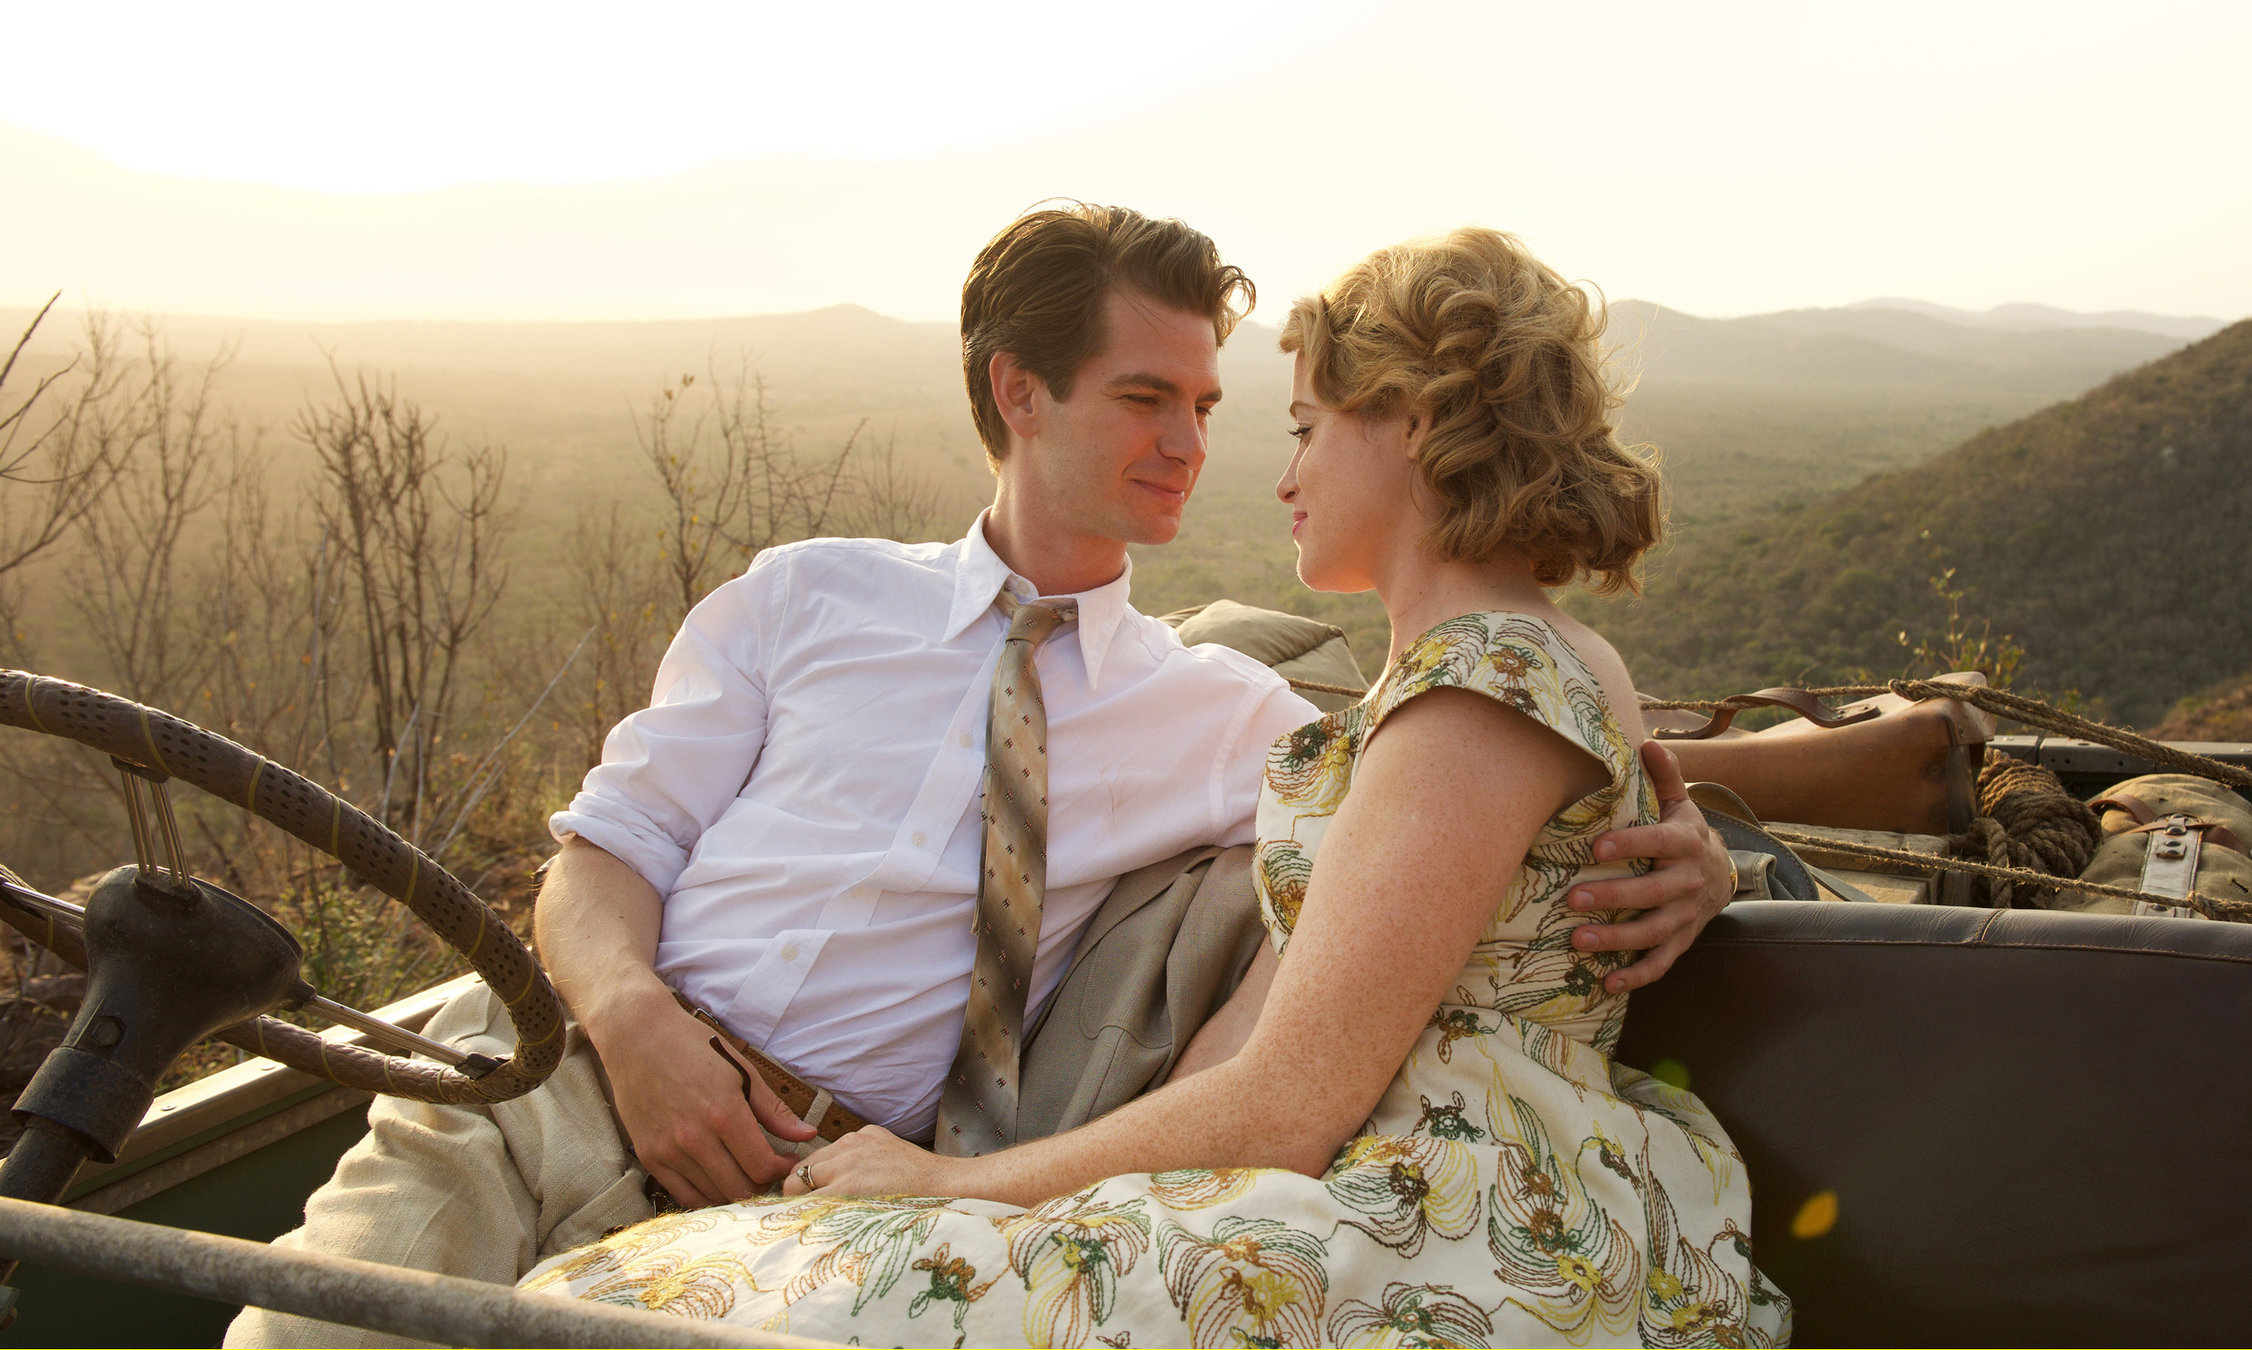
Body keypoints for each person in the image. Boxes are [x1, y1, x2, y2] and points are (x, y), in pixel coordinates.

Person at [228, 206, 1736, 1348]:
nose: (1200, 447)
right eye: (1149, 398)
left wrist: (1706, 841)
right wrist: (632, 1024)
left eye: (1221, 409)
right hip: (550, 1075)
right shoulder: (803, 593)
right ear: (1018, 391)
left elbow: (1502, 772)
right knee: (292, 1328)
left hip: (797, 1166)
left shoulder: (1236, 716)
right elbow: (603, 853)